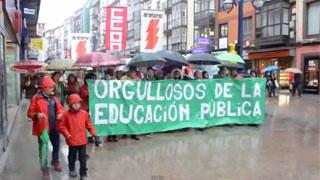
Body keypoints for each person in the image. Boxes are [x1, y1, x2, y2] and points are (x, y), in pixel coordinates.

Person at [27, 76, 64, 180]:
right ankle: (44, 169)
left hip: (55, 128)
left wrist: (60, 114)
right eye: (50, 87)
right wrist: (36, 115)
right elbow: (30, 113)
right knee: (43, 149)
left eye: (52, 87)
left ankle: (55, 161)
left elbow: (61, 109)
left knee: (56, 146)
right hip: (43, 129)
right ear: (44, 88)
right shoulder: (36, 98)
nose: (52, 89)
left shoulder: (55, 98)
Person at [58, 94, 97, 179]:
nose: (77, 105)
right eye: (74, 104)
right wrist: (67, 134)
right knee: (71, 156)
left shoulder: (84, 114)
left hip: (82, 141)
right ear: (70, 105)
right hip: (72, 141)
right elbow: (61, 126)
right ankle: (72, 169)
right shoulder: (66, 115)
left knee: (83, 158)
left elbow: (89, 125)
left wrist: (94, 133)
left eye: (78, 103)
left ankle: (83, 173)